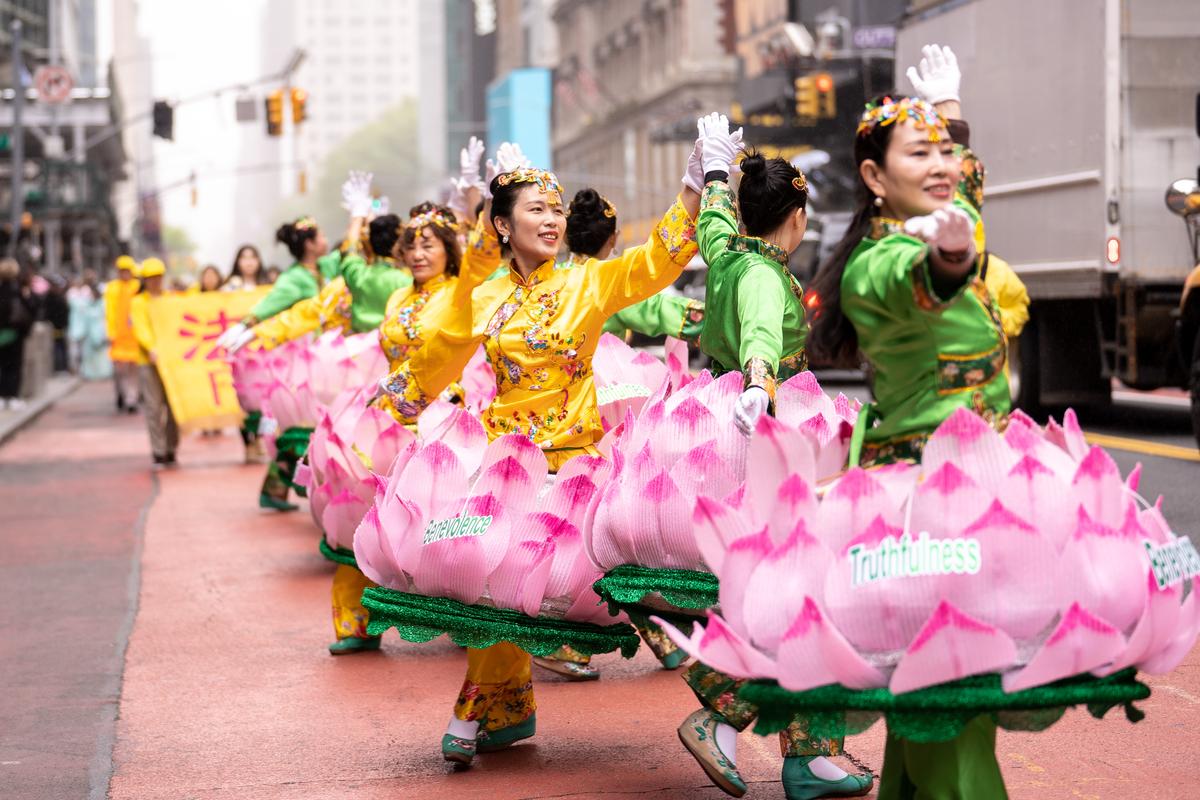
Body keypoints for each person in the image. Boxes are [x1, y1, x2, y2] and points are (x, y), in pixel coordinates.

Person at [378, 145, 702, 764]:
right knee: (488, 583)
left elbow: (654, 264)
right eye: (536, 209)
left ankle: (728, 699)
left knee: (636, 583)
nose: (553, 220)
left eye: (557, 209)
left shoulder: (588, 280)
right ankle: (494, 702)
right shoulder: (484, 294)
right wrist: (405, 398)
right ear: (502, 224)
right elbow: (445, 344)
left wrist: (691, 189)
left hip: (576, 466)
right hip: (504, 464)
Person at [807, 46, 1010, 797]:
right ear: (872, 176)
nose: (943, 164)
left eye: (947, 151)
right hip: (927, 499)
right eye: (918, 152)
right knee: (947, 678)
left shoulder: (945, 216)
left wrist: (950, 111)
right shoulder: (878, 263)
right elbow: (925, 276)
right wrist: (949, 260)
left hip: (975, 482)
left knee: (950, 684)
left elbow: (965, 198)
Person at [673, 115, 872, 800]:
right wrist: (761, 382)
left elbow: (711, 225)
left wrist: (720, 173)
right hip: (769, 442)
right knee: (808, 595)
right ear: (793, 217)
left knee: (793, 594)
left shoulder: (727, 253)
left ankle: (807, 754)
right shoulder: (759, 274)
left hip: (737, 440)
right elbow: (761, 331)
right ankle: (731, 720)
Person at [216, 217, 340, 352]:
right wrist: (244, 325)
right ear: (309, 244)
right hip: (306, 350)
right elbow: (270, 304)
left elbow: (351, 251)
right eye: (322, 236)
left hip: (334, 343)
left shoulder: (327, 265)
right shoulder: (293, 277)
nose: (326, 240)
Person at [129, 258, 179, 466]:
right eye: (150, 278)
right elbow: (140, 328)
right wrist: (151, 348)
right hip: (148, 362)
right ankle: (158, 451)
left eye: (158, 277)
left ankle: (171, 448)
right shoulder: (138, 302)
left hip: (172, 361)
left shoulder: (171, 299)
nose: (155, 281)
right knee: (153, 407)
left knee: (174, 407)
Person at [104, 255, 141, 413]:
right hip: (118, 336)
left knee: (134, 370)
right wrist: (110, 332)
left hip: (135, 337)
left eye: (127, 270)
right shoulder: (112, 288)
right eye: (122, 270)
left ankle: (131, 398)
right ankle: (121, 393)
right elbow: (108, 311)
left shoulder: (137, 287)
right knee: (120, 370)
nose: (125, 273)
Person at [0, 258, 35, 410]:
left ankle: (1, 397)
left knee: (1, 365)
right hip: (16, 334)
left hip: (2, 333)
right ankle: (13, 396)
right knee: (14, 366)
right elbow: (31, 310)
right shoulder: (20, 290)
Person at [66, 269, 111, 381]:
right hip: (89, 332)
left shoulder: (101, 303)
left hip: (100, 331)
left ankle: (101, 372)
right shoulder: (84, 300)